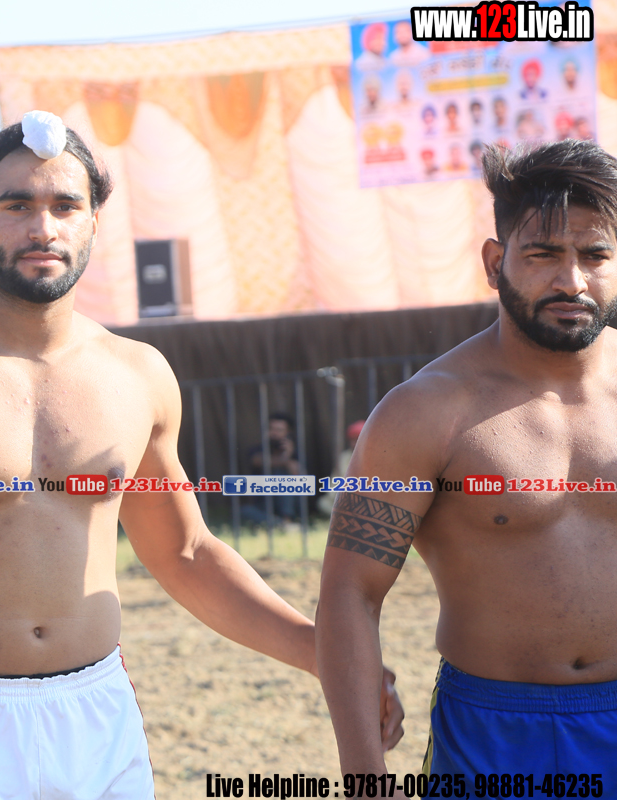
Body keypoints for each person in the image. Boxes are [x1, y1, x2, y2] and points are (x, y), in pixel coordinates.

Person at [0, 112, 404, 800]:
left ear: (92, 224)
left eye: (65, 206)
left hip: (97, 712)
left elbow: (186, 553)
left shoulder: (138, 374)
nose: (43, 228)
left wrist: (328, 656)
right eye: (16, 205)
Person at [317, 139, 617, 775]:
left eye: (595, 255)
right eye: (543, 254)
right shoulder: (426, 411)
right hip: (494, 733)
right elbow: (350, 593)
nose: (571, 281)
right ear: (494, 261)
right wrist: (365, 779)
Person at [242, 412, 303, 525]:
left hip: (291, 504)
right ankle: (283, 524)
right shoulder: (257, 450)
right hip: (264, 505)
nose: (274, 433)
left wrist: (288, 456)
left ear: (288, 433)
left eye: (279, 430)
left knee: (282, 474)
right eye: (271, 429)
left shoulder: (298, 452)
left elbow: (303, 482)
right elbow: (258, 461)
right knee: (245, 511)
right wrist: (286, 460)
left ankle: (286, 519)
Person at [317, 420, 365, 517]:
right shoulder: (344, 457)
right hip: (345, 499)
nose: (355, 443)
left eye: (358, 439)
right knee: (323, 503)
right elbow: (334, 484)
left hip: (366, 499)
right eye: (352, 440)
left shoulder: (375, 456)